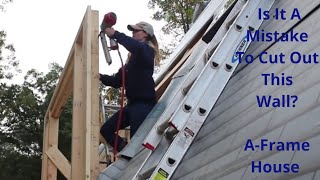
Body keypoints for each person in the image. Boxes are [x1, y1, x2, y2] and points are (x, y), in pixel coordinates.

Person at [99, 21, 160, 152]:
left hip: (144, 105)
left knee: (137, 145)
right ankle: (125, 150)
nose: (132, 33)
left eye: (135, 31)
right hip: (132, 105)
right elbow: (116, 81)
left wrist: (115, 34)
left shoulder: (147, 51)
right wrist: (99, 76)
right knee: (106, 130)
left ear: (145, 34)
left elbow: (136, 47)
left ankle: (132, 157)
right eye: (132, 31)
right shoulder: (130, 63)